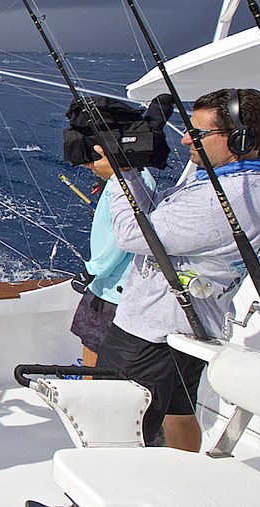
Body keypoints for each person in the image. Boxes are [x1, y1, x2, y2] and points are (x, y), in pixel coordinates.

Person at [95, 88, 260, 451]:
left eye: (199, 133)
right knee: (179, 411)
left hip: (152, 336)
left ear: (239, 139)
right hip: (183, 328)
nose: (185, 139)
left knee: (109, 427)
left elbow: (133, 233)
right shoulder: (229, 181)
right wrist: (131, 166)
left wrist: (120, 175)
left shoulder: (223, 198)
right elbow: (156, 219)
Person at [69, 96, 170, 368]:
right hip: (119, 287)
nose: (88, 165)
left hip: (111, 289)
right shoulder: (133, 179)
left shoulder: (124, 185)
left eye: (91, 159)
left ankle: (88, 394)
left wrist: (92, 270)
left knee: (92, 348)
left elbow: (121, 239)